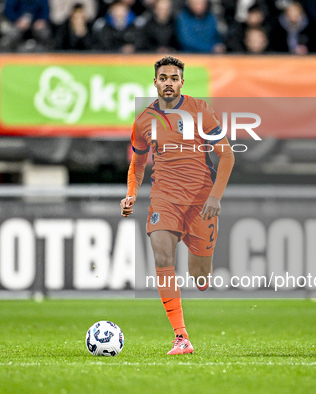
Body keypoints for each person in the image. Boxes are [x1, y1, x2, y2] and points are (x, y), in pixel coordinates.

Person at [120, 56, 235, 355]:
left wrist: (215, 197)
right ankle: (181, 337)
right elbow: (138, 163)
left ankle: (199, 264)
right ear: (155, 82)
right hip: (164, 198)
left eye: (174, 78)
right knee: (161, 255)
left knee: (200, 277)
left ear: (182, 82)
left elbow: (227, 156)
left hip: (200, 201)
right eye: (163, 78)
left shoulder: (200, 110)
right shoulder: (144, 119)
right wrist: (132, 193)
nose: (168, 83)